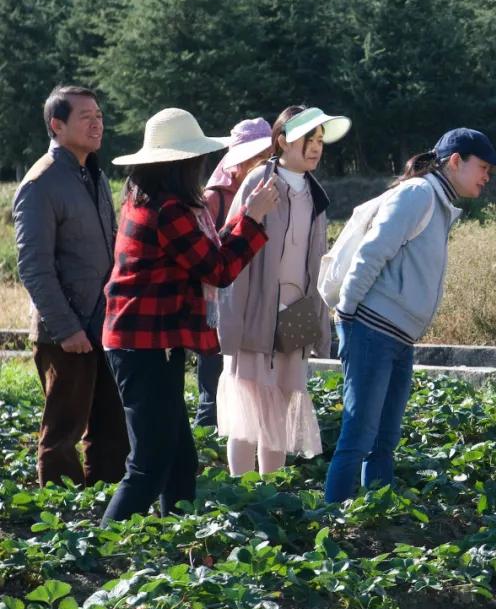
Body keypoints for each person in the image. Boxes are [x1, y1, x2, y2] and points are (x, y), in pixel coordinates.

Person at [100, 108, 278, 522]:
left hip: (147, 342)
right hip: (145, 345)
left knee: (180, 458)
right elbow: (217, 269)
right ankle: (102, 553)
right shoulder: (169, 211)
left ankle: (177, 540)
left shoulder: (147, 199)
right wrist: (251, 219)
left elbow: (209, 259)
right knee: (148, 462)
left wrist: (244, 220)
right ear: (182, 164)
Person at [324, 128, 496, 503]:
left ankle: (373, 520)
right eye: (483, 166)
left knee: (384, 441)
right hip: (371, 330)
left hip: (397, 339)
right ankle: (334, 523)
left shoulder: (438, 203)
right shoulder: (418, 194)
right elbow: (371, 253)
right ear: (455, 161)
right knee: (359, 437)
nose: (487, 176)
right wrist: (346, 314)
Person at [216, 106, 350, 475]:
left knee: (284, 403)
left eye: (320, 140)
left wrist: (319, 320)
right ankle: (239, 493)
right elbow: (228, 245)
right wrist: (230, 319)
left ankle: (268, 495)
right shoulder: (260, 180)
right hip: (256, 309)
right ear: (281, 141)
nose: (316, 147)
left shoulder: (314, 193)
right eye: (309, 139)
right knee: (249, 404)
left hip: (297, 310)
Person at [12, 85, 129, 487]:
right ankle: (61, 522)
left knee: (111, 429)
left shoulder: (92, 174)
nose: (97, 123)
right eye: (86, 117)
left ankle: (108, 514)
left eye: (99, 115)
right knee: (63, 432)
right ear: (56, 125)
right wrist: (67, 328)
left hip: (104, 325)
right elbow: (34, 266)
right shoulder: (41, 183)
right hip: (67, 332)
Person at [193, 117, 274, 429]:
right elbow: (205, 257)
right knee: (213, 383)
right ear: (236, 161)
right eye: (256, 158)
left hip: (255, 301)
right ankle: (208, 449)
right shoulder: (215, 198)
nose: (262, 165)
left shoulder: (272, 193)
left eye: (267, 157)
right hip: (219, 306)